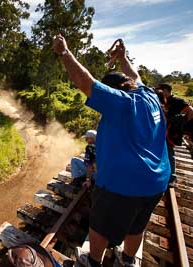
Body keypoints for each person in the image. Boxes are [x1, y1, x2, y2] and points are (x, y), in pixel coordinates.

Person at [52, 34, 170, 267]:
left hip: (121, 184)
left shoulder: (121, 103)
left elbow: (85, 82)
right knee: (138, 224)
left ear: (116, 90)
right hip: (156, 181)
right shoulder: (149, 96)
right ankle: (127, 260)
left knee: (100, 224)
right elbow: (135, 75)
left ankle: (93, 261)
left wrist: (64, 52)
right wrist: (123, 58)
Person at [155, 83, 193, 186]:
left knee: (170, 153)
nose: (158, 92)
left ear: (166, 90)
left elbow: (190, 111)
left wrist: (183, 126)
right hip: (159, 130)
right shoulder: (159, 99)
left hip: (170, 131)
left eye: (160, 90)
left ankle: (172, 177)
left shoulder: (177, 101)